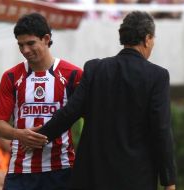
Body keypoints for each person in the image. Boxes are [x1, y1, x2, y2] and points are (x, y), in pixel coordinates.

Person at [30, 11, 176, 190]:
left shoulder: (95, 68)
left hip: (92, 176)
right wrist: (169, 181)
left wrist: (38, 136)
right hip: (136, 178)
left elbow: (70, 112)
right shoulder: (157, 76)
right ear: (147, 39)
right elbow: (161, 130)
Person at [0, 13, 83, 190]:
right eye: (21, 45)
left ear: (46, 39)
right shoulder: (11, 77)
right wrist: (20, 134)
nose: (25, 50)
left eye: (30, 43)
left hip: (61, 169)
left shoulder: (73, 74)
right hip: (20, 171)